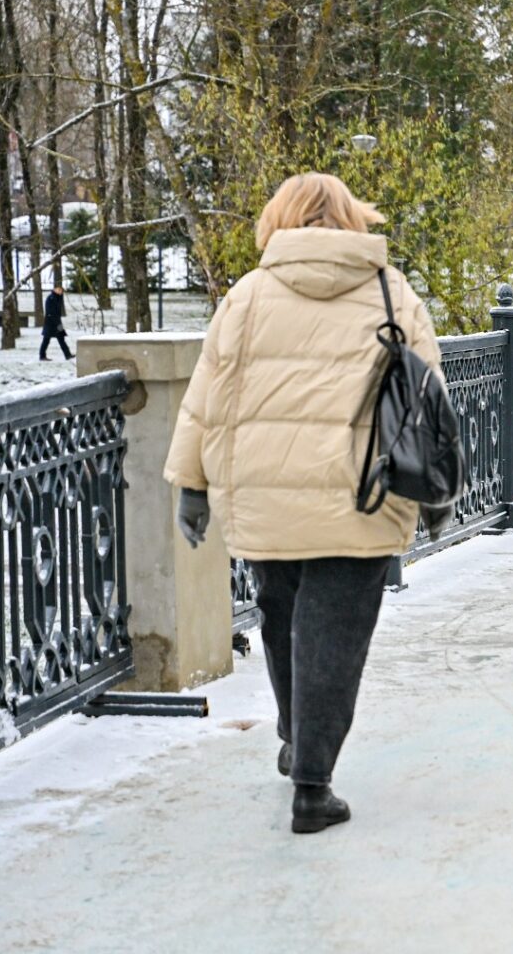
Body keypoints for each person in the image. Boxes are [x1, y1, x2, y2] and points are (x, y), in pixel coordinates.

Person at [164, 173, 443, 834]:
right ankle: (313, 785)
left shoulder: (248, 296)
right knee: (334, 636)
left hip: (263, 492)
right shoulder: (390, 292)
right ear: (353, 219)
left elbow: (207, 396)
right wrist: (437, 494)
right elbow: (428, 400)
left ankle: (296, 737)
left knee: (284, 616)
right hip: (361, 495)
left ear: (278, 220)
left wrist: (192, 483)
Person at [39, 284, 73, 361]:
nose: (61, 291)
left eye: (61, 290)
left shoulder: (58, 298)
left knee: (61, 339)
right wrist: (55, 322)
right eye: (59, 289)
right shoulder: (51, 298)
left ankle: (68, 354)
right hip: (50, 323)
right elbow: (50, 312)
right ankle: (42, 356)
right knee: (46, 340)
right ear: (55, 289)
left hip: (57, 322)